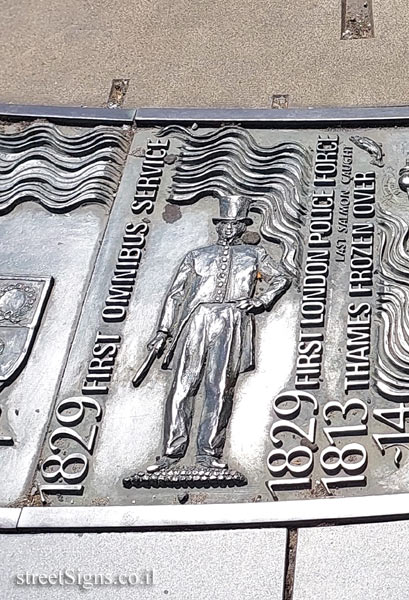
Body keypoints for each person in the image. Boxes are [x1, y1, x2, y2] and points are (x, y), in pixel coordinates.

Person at [147, 194, 290, 471]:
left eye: (234, 224)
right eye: (223, 224)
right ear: (218, 226)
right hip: (197, 318)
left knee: (220, 387)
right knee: (183, 386)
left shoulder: (254, 254)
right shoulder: (197, 256)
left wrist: (260, 301)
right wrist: (163, 330)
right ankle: (171, 453)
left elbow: (281, 278)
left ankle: (208, 453)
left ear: (241, 226)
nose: (227, 228)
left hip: (232, 319)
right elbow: (175, 295)